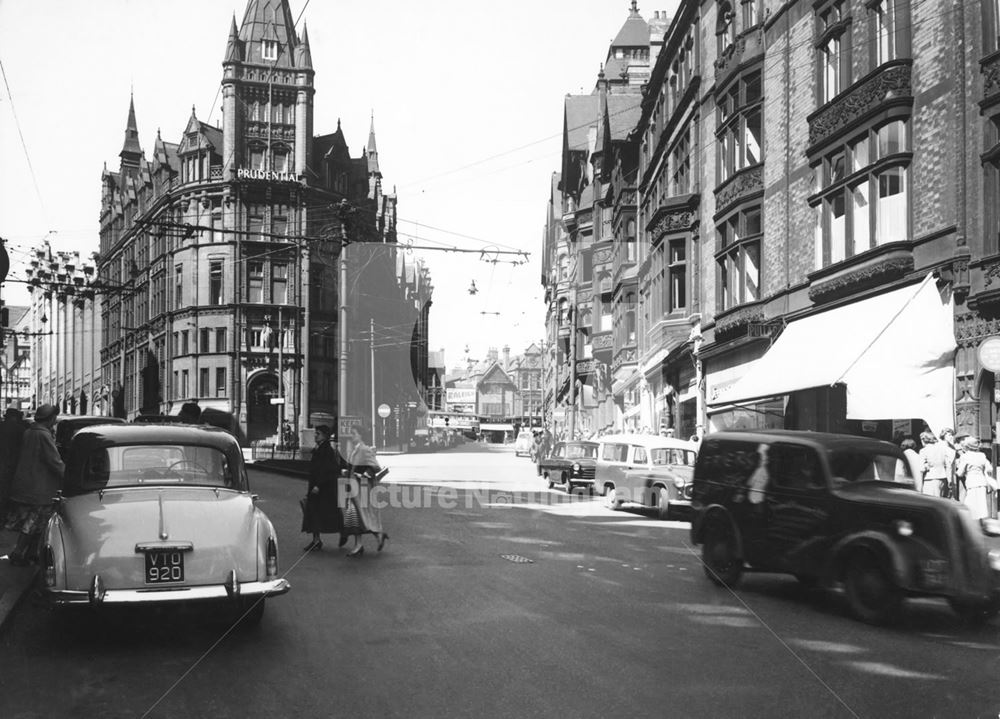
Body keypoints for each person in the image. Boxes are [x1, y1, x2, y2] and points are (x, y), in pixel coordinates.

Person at [2, 404, 65, 566]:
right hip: (40, 487)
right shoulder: (43, 435)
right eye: (54, 418)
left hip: (27, 484)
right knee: (34, 522)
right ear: (50, 418)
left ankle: (30, 554)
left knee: (36, 522)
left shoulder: (29, 432)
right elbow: (54, 461)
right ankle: (19, 553)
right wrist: (67, 476)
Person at [343, 424, 388, 557]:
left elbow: (376, 467)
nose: (352, 436)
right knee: (356, 517)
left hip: (362, 489)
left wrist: (363, 475)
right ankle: (362, 543)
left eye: (354, 434)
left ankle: (373, 537)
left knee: (362, 515)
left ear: (360, 435)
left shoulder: (364, 449)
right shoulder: (355, 449)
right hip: (353, 488)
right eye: (351, 434)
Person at [302, 425, 348, 551]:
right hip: (317, 487)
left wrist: (318, 485)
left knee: (329, 513)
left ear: (325, 436)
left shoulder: (327, 450)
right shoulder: (319, 448)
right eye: (315, 433)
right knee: (313, 513)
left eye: (318, 434)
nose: (315, 435)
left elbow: (328, 470)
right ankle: (316, 540)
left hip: (324, 489)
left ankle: (343, 531)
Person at [955, 437, 995, 520]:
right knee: (981, 506)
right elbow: (990, 468)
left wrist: (957, 467)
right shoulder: (982, 455)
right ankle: (981, 525)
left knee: (970, 506)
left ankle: (972, 526)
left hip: (971, 483)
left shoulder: (965, 456)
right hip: (982, 482)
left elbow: (960, 473)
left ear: (967, 447)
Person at [0, 408, 28, 514]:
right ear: (15, 418)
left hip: (3, 462)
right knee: (8, 490)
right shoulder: (20, 429)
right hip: (13, 464)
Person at [919, 430, 949, 498]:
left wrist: (926, 466)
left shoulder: (923, 451)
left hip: (930, 478)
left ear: (923, 440)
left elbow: (922, 468)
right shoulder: (942, 449)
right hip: (942, 477)